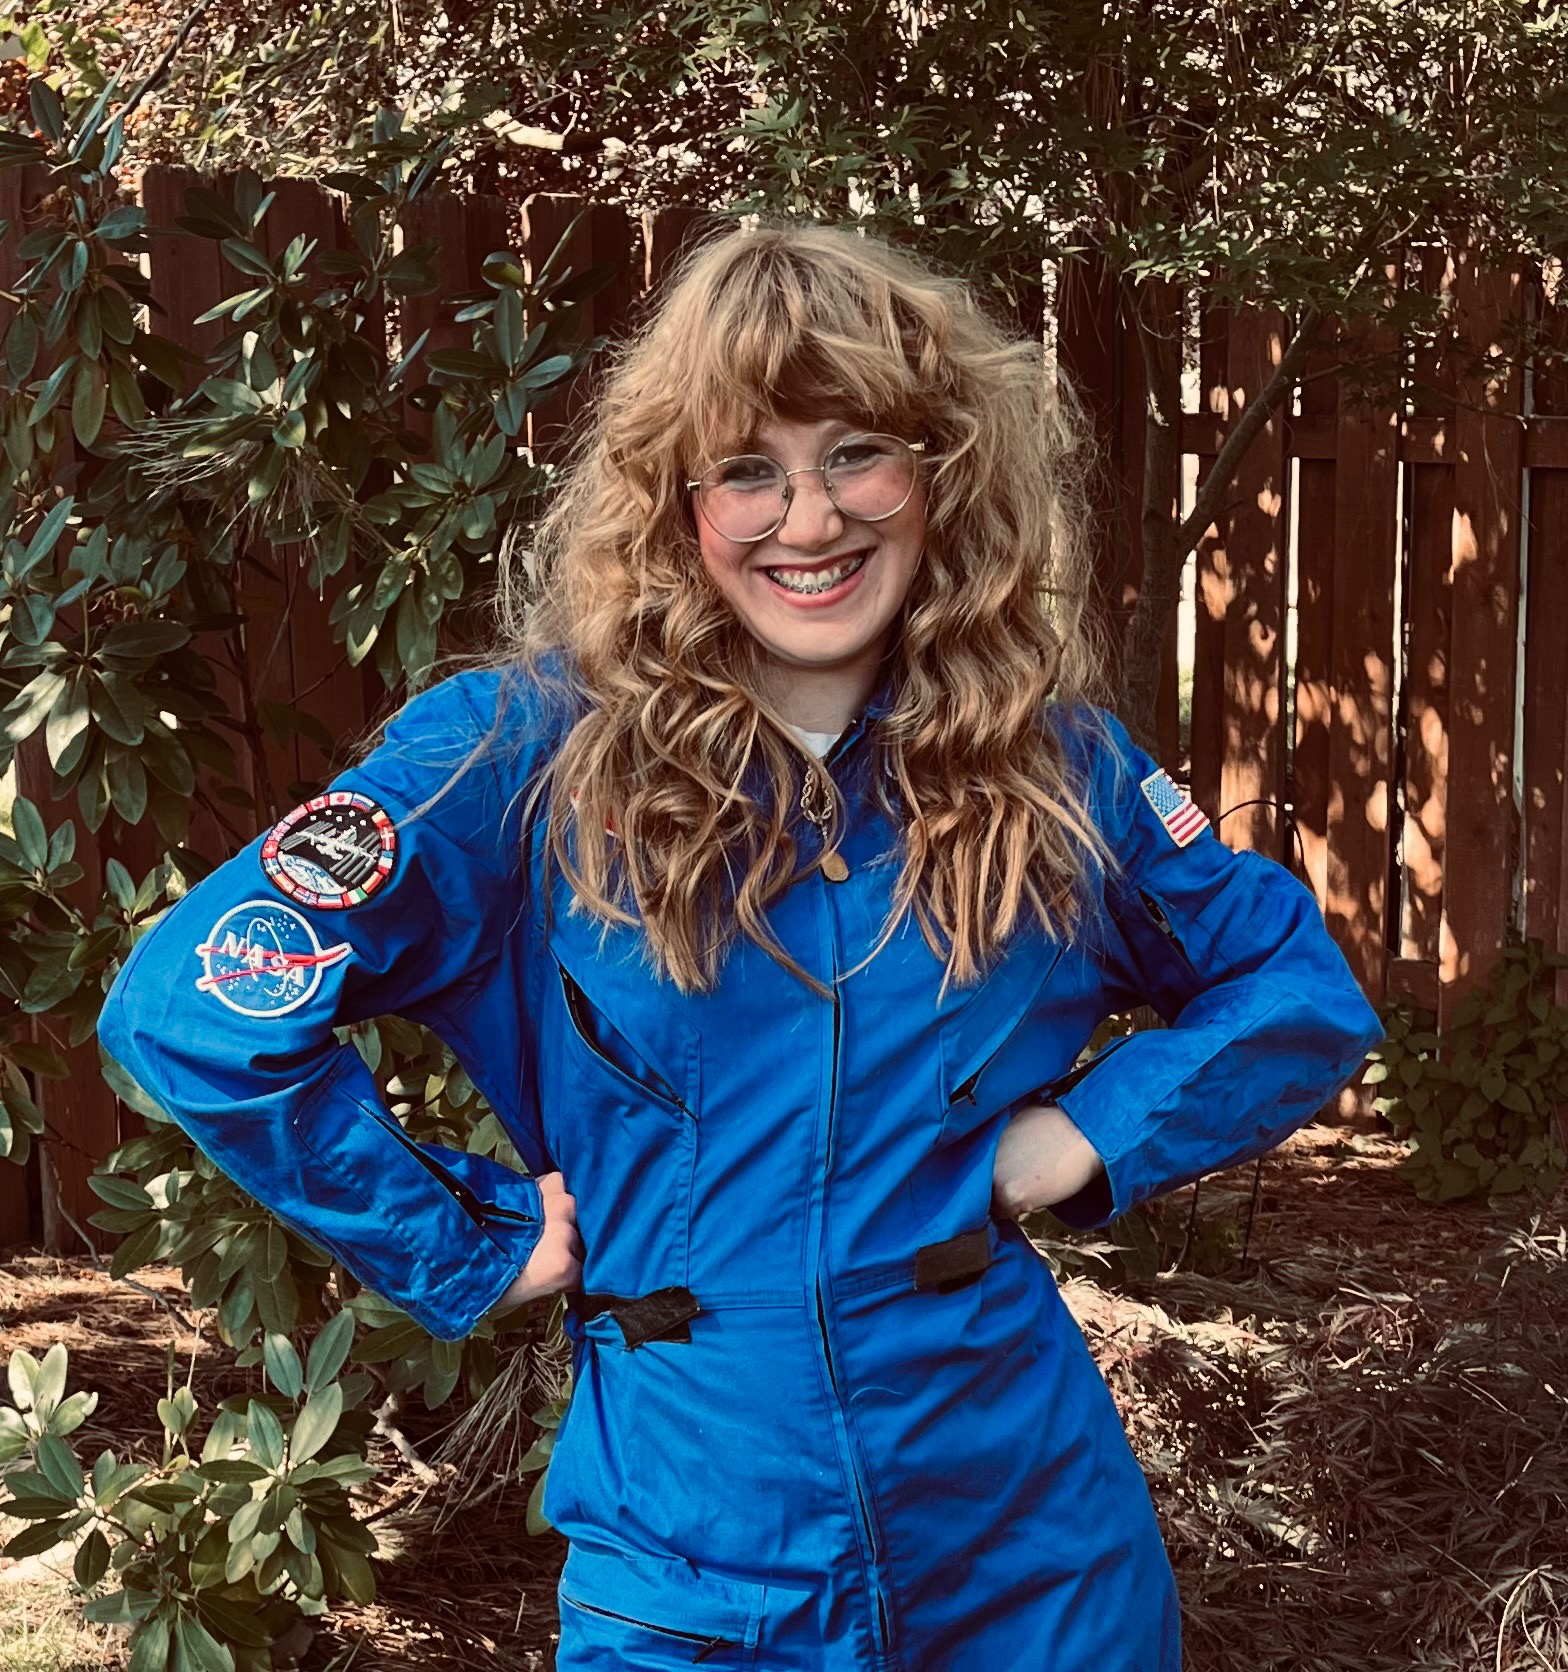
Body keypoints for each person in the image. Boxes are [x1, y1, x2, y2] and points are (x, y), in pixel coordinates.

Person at [99, 223, 1384, 1671]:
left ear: (943, 475)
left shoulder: (1057, 770)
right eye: (747, 469)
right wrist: (462, 1239)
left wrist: (1091, 1134)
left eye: (859, 454)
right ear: (676, 502)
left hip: (1037, 1566)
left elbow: (1293, 991)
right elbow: (196, 1009)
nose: (810, 520)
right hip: (697, 1580)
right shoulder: (516, 761)